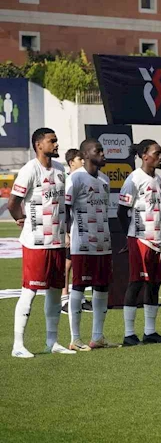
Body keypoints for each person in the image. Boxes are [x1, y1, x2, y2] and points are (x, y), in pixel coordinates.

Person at [9, 128, 74, 358]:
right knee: (29, 291)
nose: (57, 144)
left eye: (56, 140)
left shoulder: (59, 170)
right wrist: (21, 218)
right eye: (52, 141)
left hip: (56, 241)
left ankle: (52, 342)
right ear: (39, 145)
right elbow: (13, 202)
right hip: (36, 243)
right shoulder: (29, 170)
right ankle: (18, 345)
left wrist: (65, 232)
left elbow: (63, 206)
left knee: (56, 291)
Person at [64, 139, 117, 351]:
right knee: (79, 286)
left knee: (102, 287)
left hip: (103, 243)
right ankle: (75, 338)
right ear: (86, 154)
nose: (103, 154)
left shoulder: (104, 180)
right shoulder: (75, 179)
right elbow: (65, 208)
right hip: (82, 243)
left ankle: (98, 337)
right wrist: (67, 233)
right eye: (99, 150)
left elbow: (107, 212)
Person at [118, 139, 161, 346]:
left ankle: (150, 332)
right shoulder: (134, 179)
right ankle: (129, 334)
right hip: (140, 239)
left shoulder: (159, 180)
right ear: (144, 156)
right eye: (157, 153)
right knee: (136, 283)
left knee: (154, 285)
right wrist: (129, 236)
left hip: (158, 240)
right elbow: (121, 211)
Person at [60, 148, 89, 314]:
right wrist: (65, 231)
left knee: (81, 262)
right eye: (80, 159)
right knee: (68, 262)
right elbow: (64, 207)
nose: (83, 162)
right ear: (72, 162)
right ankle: (64, 297)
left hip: (82, 228)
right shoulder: (66, 180)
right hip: (69, 228)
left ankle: (80, 297)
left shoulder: (83, 179)